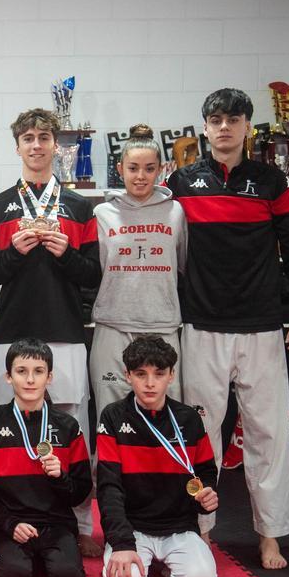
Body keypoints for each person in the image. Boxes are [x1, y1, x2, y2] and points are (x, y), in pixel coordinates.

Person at [167, 87, 289, 570]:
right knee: (202, 432)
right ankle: (201, 528)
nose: (225, 127)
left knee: (267, 433)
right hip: (202, 324)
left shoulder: (275, 183)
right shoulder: (182, 183)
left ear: (248, 125)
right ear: (205, 127)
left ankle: (270, 535)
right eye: (216, 119)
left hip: (261, 325)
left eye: (234, 118)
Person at [0, 108, 101, 557]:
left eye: (44, 137)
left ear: (55, 146)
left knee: (72, 429)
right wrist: (13, 252)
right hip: (10, 331)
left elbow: (93, 275)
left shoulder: (80, 207)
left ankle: (81, 523)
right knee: (4, 426)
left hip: (66, 331)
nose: (36, 145)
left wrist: (67, 252)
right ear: (17, 147)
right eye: (28, 138)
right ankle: (5, 520)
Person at [97, 336, 219, 577]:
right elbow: (108, 486)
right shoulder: (113, 416)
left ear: (171, 375)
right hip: (133, 527)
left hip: (179, 527)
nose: (150, 383)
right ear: (127, 375)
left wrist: (206, 495)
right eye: (141, 374)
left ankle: (166, 565)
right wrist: (121, 542)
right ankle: (140, 558)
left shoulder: (188, 419)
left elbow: (206, 472)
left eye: (159, 374)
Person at [0, 339, 91, 577]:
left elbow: (81, 491)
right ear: (8, 377)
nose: (30, 380)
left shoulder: (68, 427)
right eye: (21, 371)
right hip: (9, 524)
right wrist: (9, 523)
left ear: (50, 377)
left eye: (38, 371)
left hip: (56, 524)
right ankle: (23, 557)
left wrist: (60, 478)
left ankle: (46, 557)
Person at [90, 137, 188, 411]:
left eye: (149, 168)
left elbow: (182, 265)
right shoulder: (102, 213)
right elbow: (94, 270)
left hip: (162, 325)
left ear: (160, 169)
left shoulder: (176, 211)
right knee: (109, 413)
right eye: (133, 168)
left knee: (166, 414)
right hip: (113, 326)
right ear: (120, 169)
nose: (141, 176)